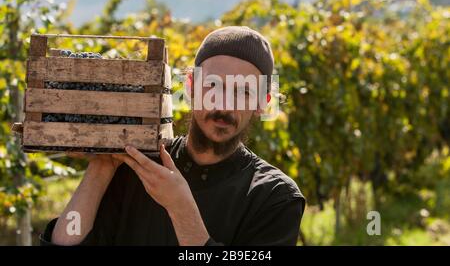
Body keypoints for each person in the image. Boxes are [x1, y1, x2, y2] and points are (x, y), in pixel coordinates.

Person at [40, 26, 306, 246]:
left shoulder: (275, 197)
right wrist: (100, 169)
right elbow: (66, 243)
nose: (224, 105)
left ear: (262, 102)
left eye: (243, 92)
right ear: (190, 86)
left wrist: (181, 210)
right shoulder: (136, 167)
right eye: (213, 86)